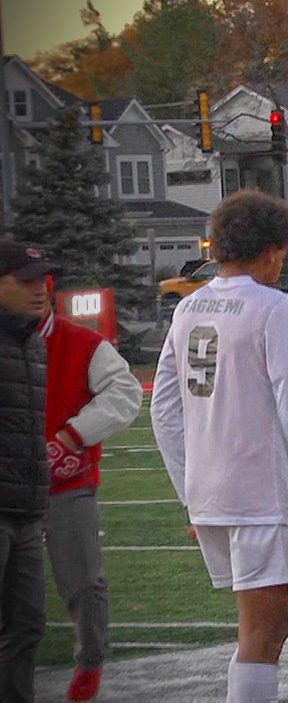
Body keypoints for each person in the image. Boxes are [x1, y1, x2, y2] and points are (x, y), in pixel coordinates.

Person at [151, 190, 288, 703]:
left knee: (267, 624)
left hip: (208, 491)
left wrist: (189, 492)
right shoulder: (272, 306)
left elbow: (163, 409)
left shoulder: (188, 307)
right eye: (282, 253)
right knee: (265, 630)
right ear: (269, 250)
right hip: (254, 492)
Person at [39, 276, 143, 702]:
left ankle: (90, 660)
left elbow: (126, 393)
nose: (34, 292)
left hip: (66, 479)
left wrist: (74, 435)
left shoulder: (81, 343)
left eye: (39, 283)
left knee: (82, 580)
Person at [0, 241, 53, 703]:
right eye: (26, 280)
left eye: (43, 280)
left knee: (28, 625)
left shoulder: (31, 343)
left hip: (26, 506)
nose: (40, 289)